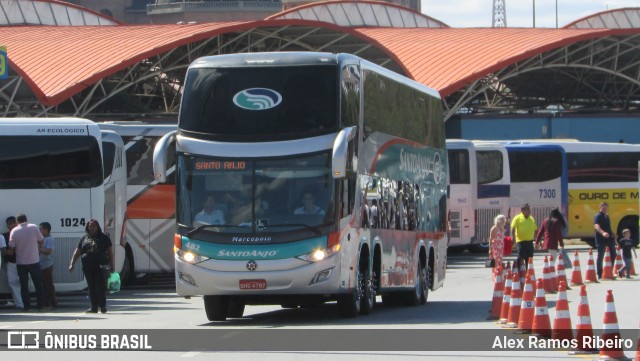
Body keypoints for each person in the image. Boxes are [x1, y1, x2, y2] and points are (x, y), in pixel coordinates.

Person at [68, 219, 114, 314]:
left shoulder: (104, 238)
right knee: (91, 287)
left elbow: (110, 252)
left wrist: (112, 266)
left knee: (99, 286)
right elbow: (77, 252)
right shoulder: (84, 238)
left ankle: (102, 306)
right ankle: (93, 307)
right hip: (88, 267)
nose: (91, 228)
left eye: (93, 226)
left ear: (97, 227)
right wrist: (72, 263)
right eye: (89, 226)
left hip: (100, 266)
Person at [8, 213, 45, 311]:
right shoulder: (33, 227)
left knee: (24, 286)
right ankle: (40, 305)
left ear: (17, 221)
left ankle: (27, 306)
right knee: (38, 284)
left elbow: (11, 246)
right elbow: (41, 241)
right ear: (26, 219)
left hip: (21, 262)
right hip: (34, 261)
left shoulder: (14, 231)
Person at [3, 216, 23, 310]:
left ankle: (20, 303)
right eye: (9, 223)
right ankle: (20, 303)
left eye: (12, 223)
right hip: (19, 261)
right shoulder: (22, 233)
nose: (10, 225)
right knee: (15, 283)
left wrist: (5, 252)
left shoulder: (6, 236)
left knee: (15, 283)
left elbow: (8, 251)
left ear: (16, 223)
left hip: (16, 261)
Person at [510, 203, 537, 270]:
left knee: (529, 257)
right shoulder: (517, 218)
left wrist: (537, 240)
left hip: (529, 241)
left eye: (529, 209)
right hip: (520, 241)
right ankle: (517, 269)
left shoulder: (531, 219)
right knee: (521, 255)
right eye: (527, 209)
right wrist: (513, 238)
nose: (529, 211)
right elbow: (513, 228)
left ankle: (528, 271)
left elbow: (536, 229)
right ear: (522, 210)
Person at [594, 202, 616, 280]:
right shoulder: (598, 216)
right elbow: (596, 226)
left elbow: (609, 228)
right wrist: (603, 233)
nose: (605, 209)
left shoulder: (607, 217)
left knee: (613, 254)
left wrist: (613, 234)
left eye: (606, 208)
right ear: (600, 208)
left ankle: (609, 271)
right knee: (601, 256)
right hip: (601, 239)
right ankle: (600, 274)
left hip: (609, 239)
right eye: (603, 208)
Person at [38, 222, 57, 309]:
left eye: (41, 229)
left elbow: (49, 251)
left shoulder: (50, 239)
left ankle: (52, 303)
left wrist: (40, 249)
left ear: (46, 229)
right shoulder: (41, 239)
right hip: (40, 264)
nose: (40, 231)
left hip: (47, 264)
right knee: (42, 285)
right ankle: (45, 302)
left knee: (48, 284)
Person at [489, 214, 507, 280]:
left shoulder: (502, 228)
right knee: (496, 262)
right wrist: (490, 250)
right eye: (502, 220)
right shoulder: (494, 228)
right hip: (496, 247)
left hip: (501, 248)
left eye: (504, 220)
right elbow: (490, 239)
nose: (503, 221)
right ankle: (496, 276)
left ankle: (499, 275)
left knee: (500, 261)